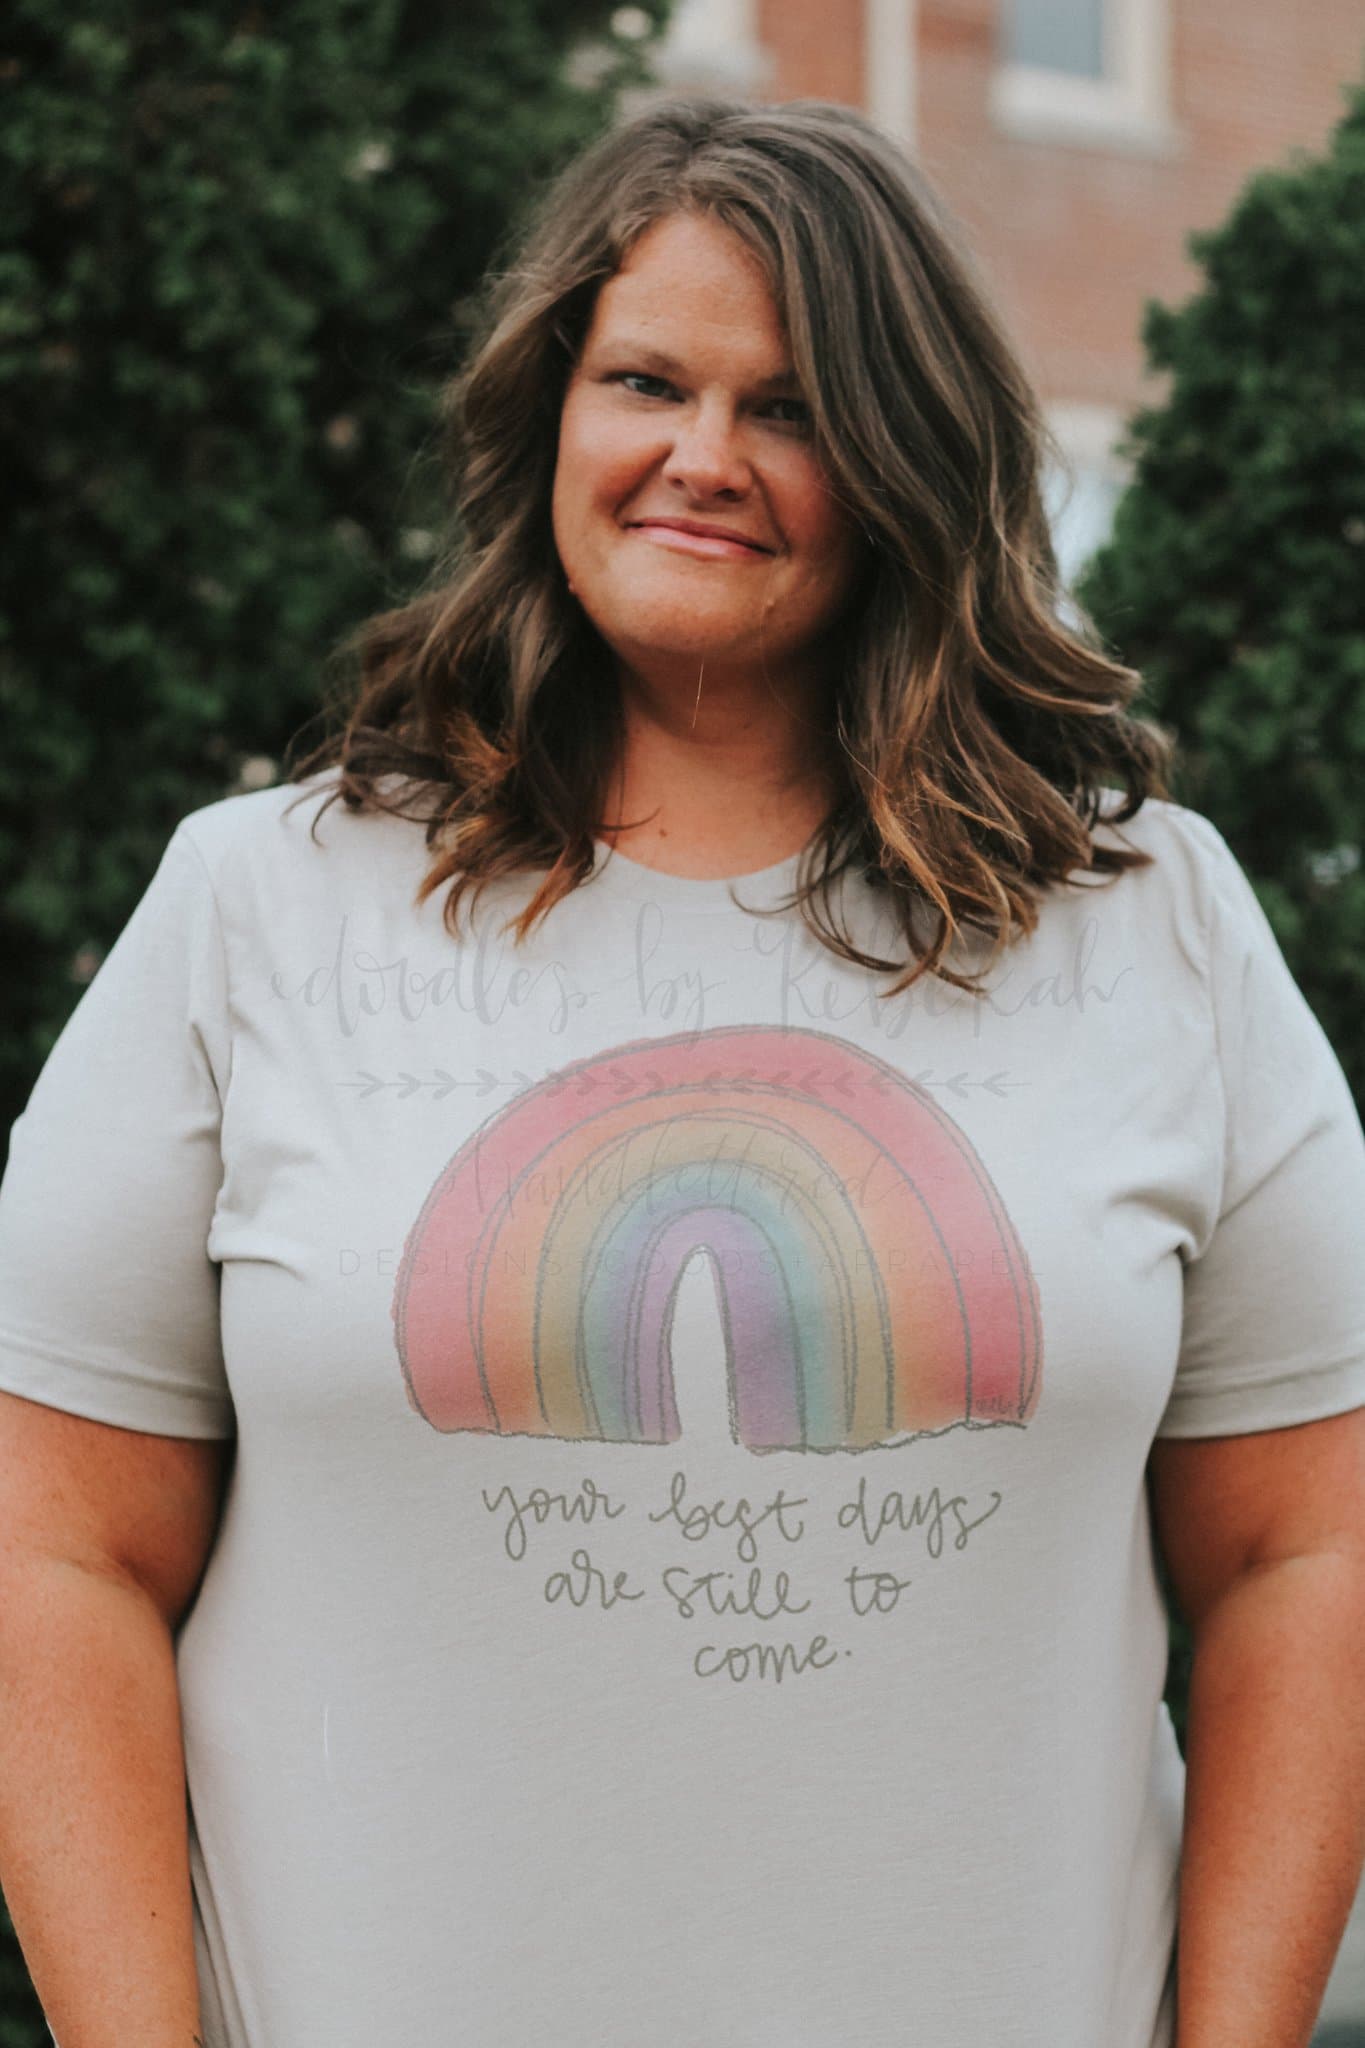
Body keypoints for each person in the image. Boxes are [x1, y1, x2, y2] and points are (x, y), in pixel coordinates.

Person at [0, 93, 1363, 2048]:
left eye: (792, 407)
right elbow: (50, 1549)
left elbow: (1297, 1554)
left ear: (908, 458)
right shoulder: (262, 904)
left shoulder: (1149, 921)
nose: (700, 458)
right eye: (646, 380)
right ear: (552, 410)